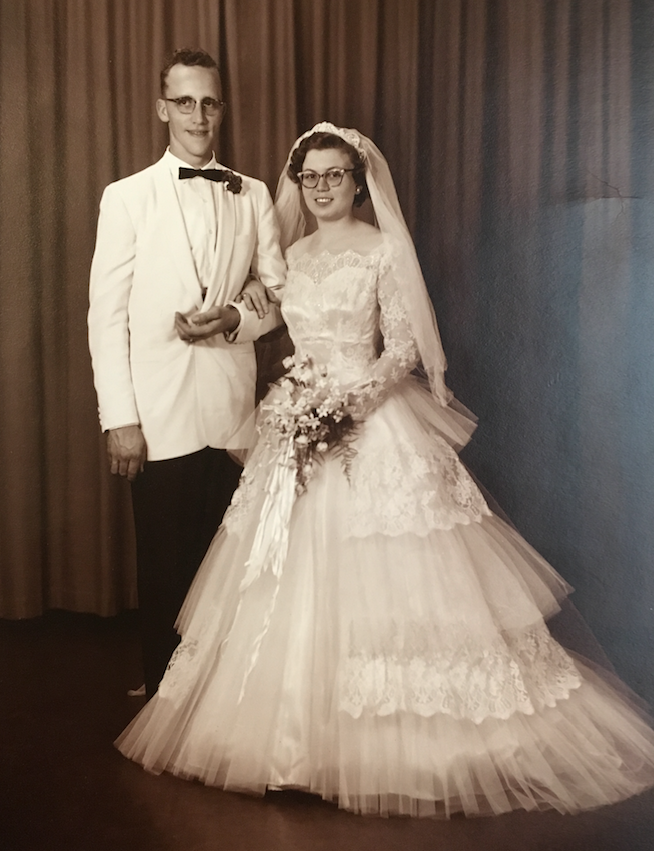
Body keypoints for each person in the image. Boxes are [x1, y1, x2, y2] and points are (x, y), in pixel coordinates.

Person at [114, 122, 654, 817]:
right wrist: (228, 325)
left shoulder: (381, 250)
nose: (320, 189)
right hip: (297, 423)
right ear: (297, 182)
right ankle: (286, 742)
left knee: (389, 580)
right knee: (277, 577)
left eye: (334, 175)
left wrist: (342, 404)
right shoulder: (294, 252)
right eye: (309, 177)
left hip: (367, 422)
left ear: (358, 181)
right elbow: (270, 313)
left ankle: (385, 743)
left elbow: (399, 350)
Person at [87, 49, 286, 701]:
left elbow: (280, 302)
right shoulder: (126, 197)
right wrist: (120, 419)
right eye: (184, 102)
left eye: (209, 102)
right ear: (161, 108)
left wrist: (233, 318)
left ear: (221, 109)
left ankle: (222, 701)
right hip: (159, 412)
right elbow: (105, 316)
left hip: (230, 410)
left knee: (229, 562)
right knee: (165, 562)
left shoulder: (252, 192)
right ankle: (164, 695)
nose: (198, 116)